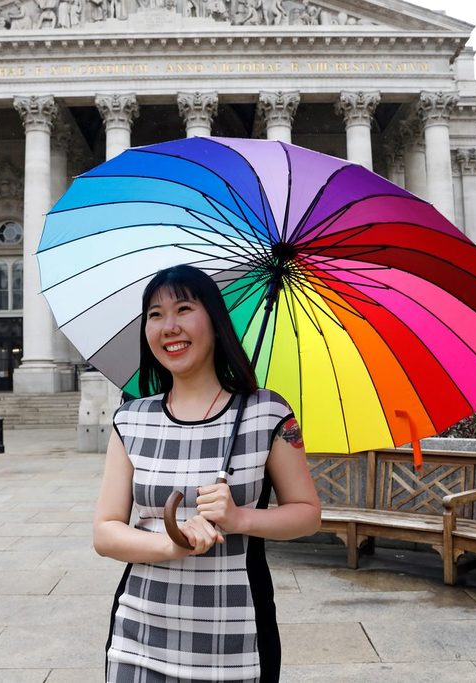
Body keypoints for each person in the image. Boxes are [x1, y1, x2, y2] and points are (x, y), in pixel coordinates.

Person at [94, 264, 322, 682]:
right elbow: (105, 532)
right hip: (139, 637)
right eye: (155, 315)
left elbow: (307, 514)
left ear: (215, 322)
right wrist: (170, 544)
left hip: (236, 640)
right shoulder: (131, 418)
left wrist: (240, 518)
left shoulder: (267, 412)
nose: (169, 327)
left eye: (184, 309)